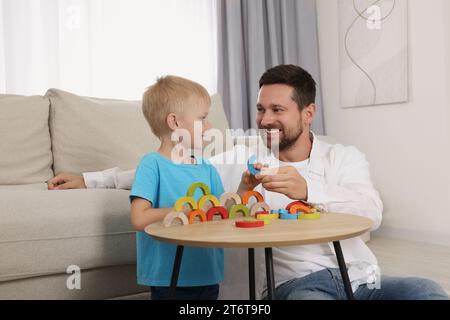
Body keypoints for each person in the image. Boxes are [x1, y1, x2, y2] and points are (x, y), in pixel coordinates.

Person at [48, 65, 449, 300]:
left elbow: (371, 213)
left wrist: (309, 192)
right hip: (301, 286)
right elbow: (167, 167)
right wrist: (91, 178)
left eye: (277, 109)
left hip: (364, 279)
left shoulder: (344, 157)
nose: (264, 119)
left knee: (428, 290)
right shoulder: (242, 160)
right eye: (260, 109)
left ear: (308, 114)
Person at [120, 75, 227, 300]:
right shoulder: (152, 164)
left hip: (208, 276)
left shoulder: (206, 167)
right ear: (175, 122)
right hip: (171, 279)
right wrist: (180, 211)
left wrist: (247, 187)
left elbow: (223, 213)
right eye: (202, 118)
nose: (209, 127)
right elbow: (138, 219)